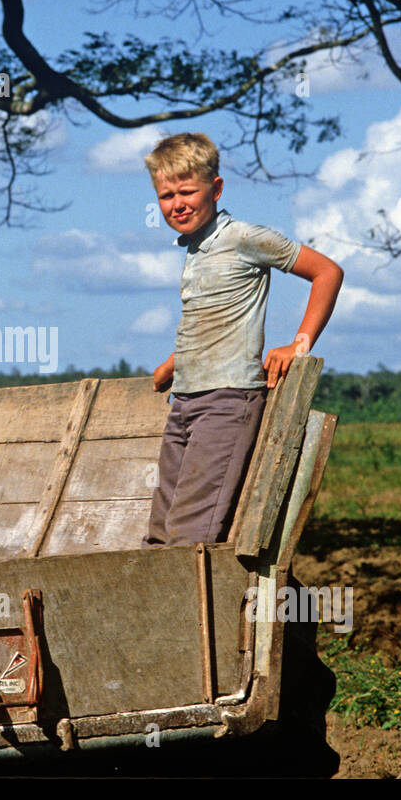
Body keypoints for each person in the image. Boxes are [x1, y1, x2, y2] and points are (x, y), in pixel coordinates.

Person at [141, 132, 342, 547]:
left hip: (227, 401)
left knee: (188, 535)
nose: (177, 204)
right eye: (166, 196)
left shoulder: (244, 238)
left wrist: (298, 344)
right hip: (185, 400)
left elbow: (327, 272)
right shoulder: (196, 250)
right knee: (160, 534)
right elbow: (210, 321)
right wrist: (175, 362)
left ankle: (194, 611)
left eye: (187, 192)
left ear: (215, 189)